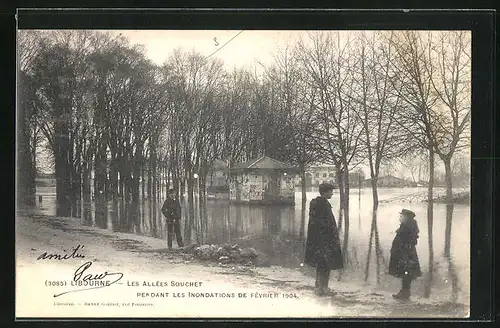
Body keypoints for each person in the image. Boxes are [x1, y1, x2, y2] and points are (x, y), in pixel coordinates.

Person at [304, 182, 343, 296]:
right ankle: (323, 289)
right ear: (325, 192)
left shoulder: (316, 203)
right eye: (331, 191)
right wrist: (332, 238)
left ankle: (319, 287)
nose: (332, 193)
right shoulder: (323, 205)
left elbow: (316, 224)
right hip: (325, 241)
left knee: (321, 265)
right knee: (326, 265)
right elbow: (326, 225)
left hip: (317, 241)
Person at [389, 208, 422, 300]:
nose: (400, 218)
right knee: (406, 273)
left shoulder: (407, 228)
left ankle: (405, 293)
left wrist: (401, 252)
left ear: (406, 218)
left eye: (401, 216)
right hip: (405, 254)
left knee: (406, 273)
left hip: (406, 254)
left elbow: (408, 242)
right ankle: (404, 292)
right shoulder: (407, 226)